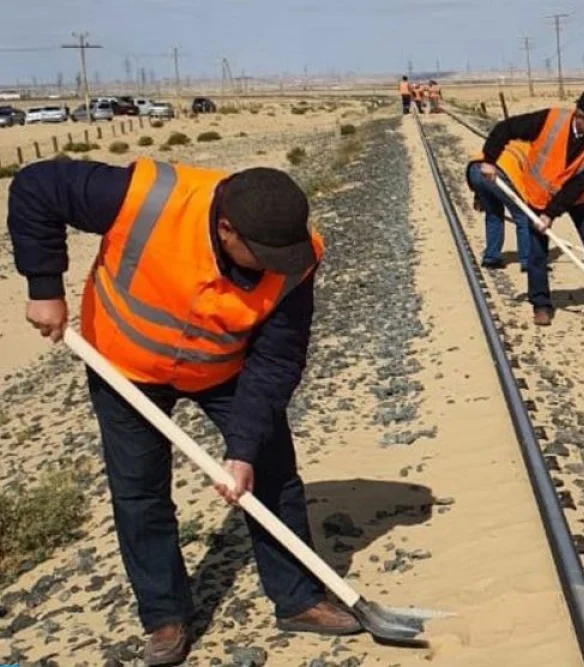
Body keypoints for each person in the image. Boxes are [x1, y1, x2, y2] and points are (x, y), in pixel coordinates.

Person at [5, 158, 360, 665]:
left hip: (223, 368)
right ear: (225, 228)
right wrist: (44, 288)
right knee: (140, 492)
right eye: (260, 255)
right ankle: (165, 618)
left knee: (273, 471)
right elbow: (36, 187)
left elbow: (278, 357)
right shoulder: (148, 197)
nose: (272, 267)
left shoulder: (296, 260)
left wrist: (241, 451)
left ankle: (299, 598)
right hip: (123, 362)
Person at [465, 90, 584, 326]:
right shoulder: (550, 120)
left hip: (578, 198)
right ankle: (541, 304)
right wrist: (489, 161)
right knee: (536, 251)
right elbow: (505, 128)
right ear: (579, 117)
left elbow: (576, 185)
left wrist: (550, 214)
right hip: (537, 194)